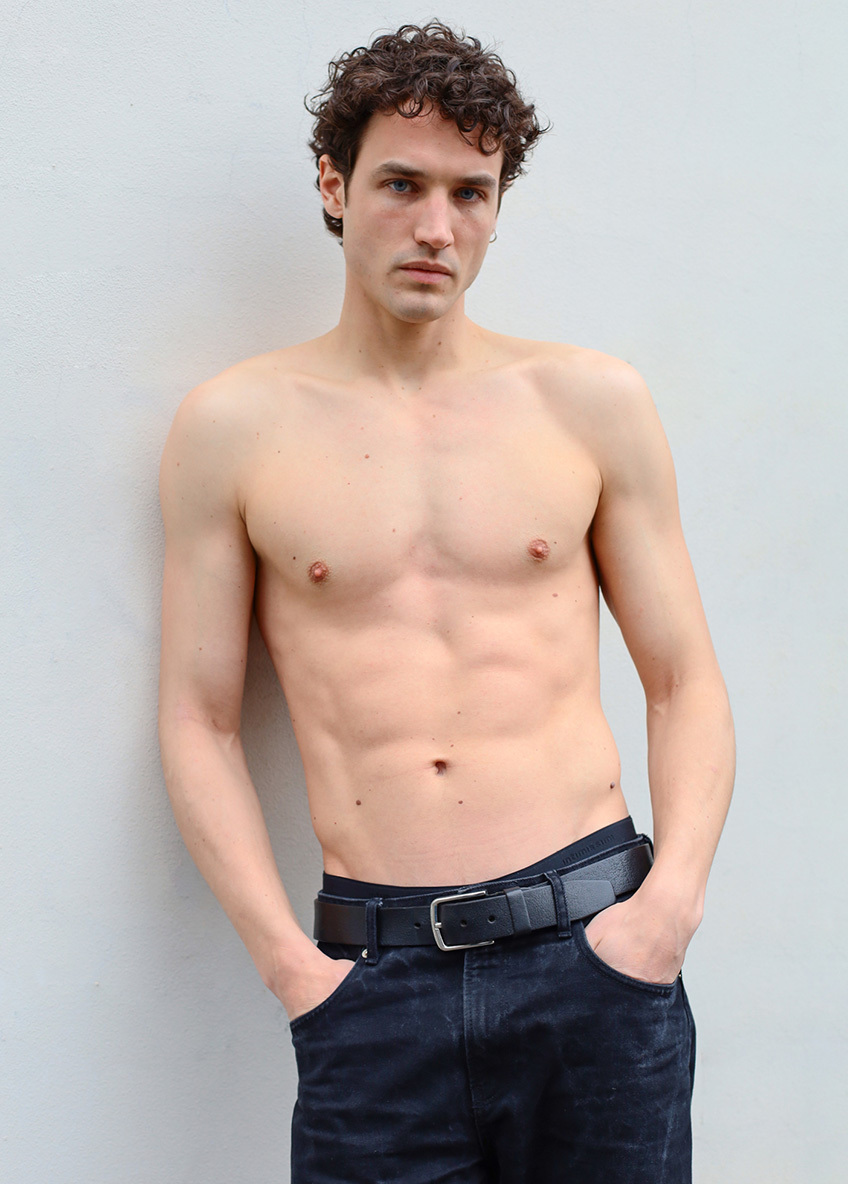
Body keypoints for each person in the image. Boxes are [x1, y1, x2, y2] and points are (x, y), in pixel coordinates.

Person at [158, 21, 735, 1184]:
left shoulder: (587, 403)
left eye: (470, 193)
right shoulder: (234, 428)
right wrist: (291, 968)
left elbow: (682, 681)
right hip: (370, 986)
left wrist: (664, 911)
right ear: (334, 186)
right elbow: (198, 717)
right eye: (401, 184)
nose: (436, 227)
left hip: (595, 957)